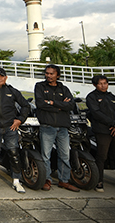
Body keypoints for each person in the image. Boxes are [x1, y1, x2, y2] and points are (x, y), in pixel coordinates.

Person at [34, 64, 80, 192]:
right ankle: (47, 180)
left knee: (65, 155)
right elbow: (40, 103)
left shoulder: (63, 88)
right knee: (45, 156)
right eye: (47, 73)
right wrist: (61, 105)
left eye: (51, 73)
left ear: (57, 75)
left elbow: (71, 105)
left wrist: (52, 103)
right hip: (47, 126)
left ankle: (63, 180)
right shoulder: (40, 86)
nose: (48, 75)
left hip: (63, 127)